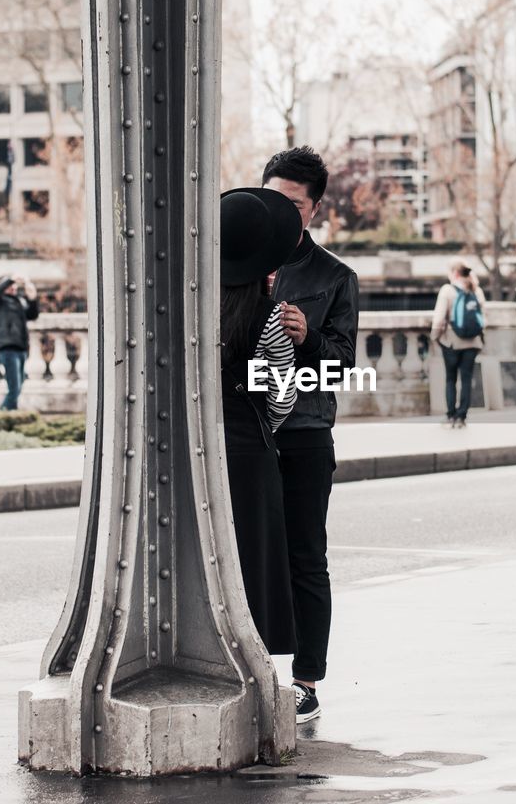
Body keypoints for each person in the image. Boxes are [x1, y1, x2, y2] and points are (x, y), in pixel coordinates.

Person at [261, 146, 359, 723]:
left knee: (305, 556)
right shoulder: (233, 262)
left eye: (293, 205)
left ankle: (306, 680)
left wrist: (308, 338)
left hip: (305, 430)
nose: (281, 212)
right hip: (245, 431)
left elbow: (342, 364)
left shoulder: (335, 278)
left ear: (314, 210)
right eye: (273, 199)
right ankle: (244, 665)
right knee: (243, 553)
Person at [219, 187, 304, 656]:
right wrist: (260, 430)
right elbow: (282, 395)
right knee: (255, 557)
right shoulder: (271, 316)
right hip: (249, 450)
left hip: (197, 451)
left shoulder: (190, 311)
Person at [431, 258, 487, 427]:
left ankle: (451, 416)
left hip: (451, 343)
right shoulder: (476, 290)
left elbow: (439, 318)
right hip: (472, 343)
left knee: (450, 379)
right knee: (467, 380)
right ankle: (462, 417)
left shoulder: (447, 290)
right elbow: (483, 319)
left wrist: (435, 337)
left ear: (454, 273)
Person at [0, 274, 38, 411]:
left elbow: (32, 315)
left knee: (19, 386)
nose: (13, 287)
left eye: (14, 286)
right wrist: (12, 278)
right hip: (7, 347)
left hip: (21, 348)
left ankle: (11, 415)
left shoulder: (19, 301)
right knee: (14, 388)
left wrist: (32, 298)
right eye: (10, 285)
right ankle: (4, 415)